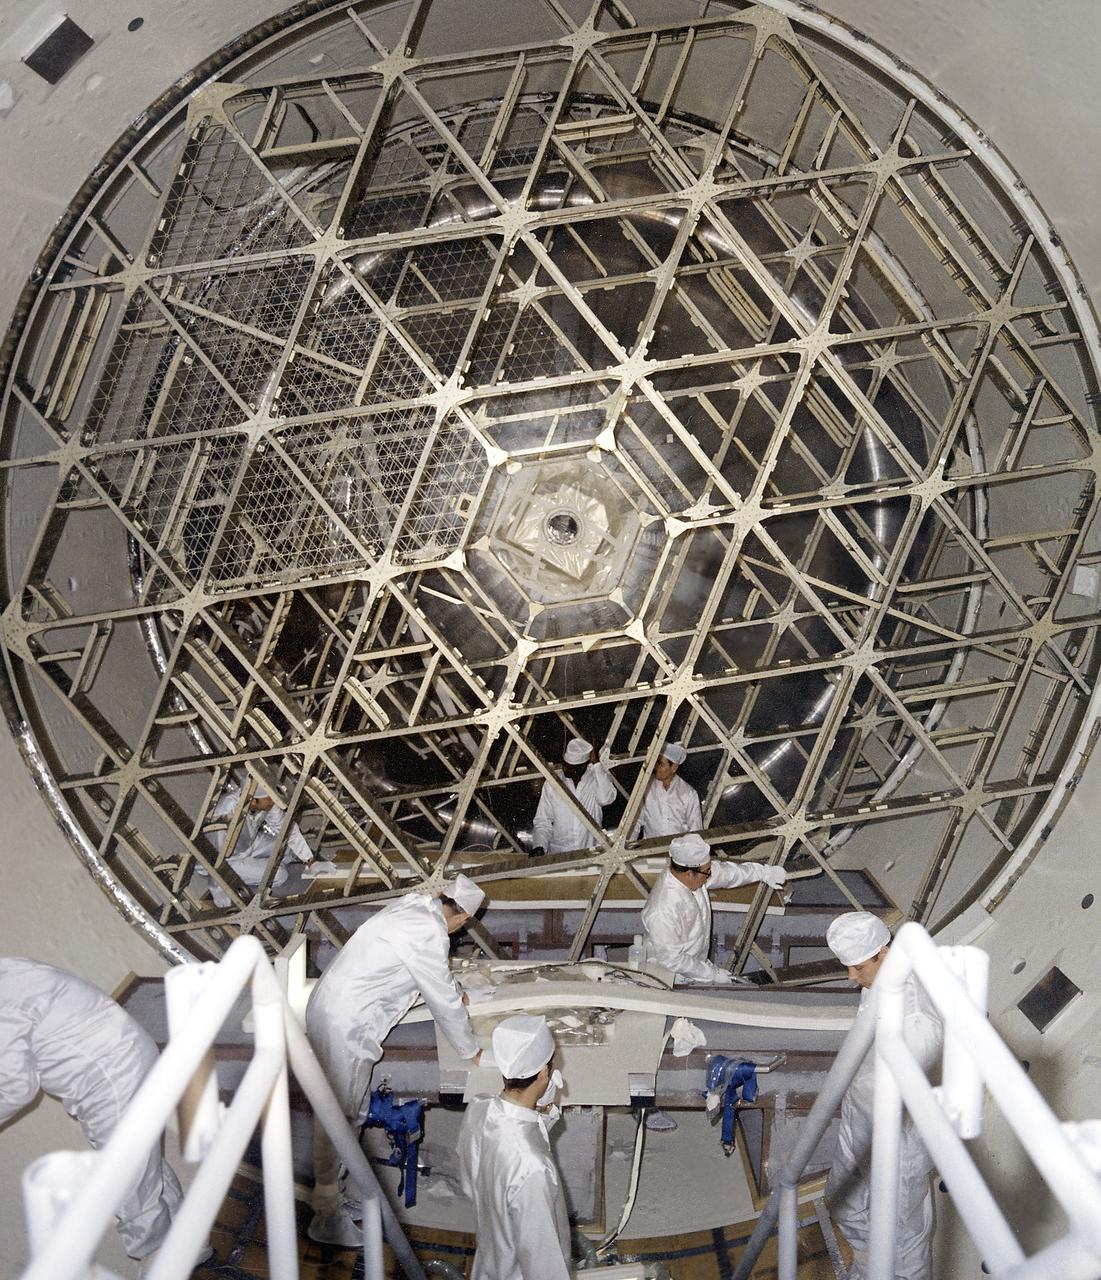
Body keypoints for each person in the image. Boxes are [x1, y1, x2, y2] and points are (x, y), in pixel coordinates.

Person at [305, 875, 487, 1246]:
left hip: (335, 1006)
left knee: (345, 1112)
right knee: (338, 1116)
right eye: (464, 924)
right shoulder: (428, 933)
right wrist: (472, 1051)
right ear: (462, 916)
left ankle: (333, 1198)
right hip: (347, 1023)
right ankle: (325, 1215)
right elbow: (440, 997)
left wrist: (458, 992)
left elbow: (428, 976)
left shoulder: (416, 907)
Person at [0, 958, 184, 1263]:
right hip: (124, 1058)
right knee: (143, 1171)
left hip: (109, 1077)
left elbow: (15, 1087)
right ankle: (188, 1247)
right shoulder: (9, 971)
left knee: (125, 1186)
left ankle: (162, 1262)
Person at [824, 911, 943, 1280]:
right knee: (842, 1202)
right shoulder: (877, 981)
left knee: (906, 1240)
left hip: (899, 1139)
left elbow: (911, 1081)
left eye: (857, 967)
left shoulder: (918, 1020)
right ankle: (867, 1267)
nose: (851, 977)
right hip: (859, 1117)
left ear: (884, 953)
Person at [458, 1014, 571, 1280]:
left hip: (490, 1258)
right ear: (545, 1073)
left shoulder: (479, 1107)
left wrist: (540, 1113)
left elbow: (468, 1184)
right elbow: (544, 1264)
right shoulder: (533, 1168)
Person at [641, 833, 787, 984]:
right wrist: (712, 974)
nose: (710, 875)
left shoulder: (690, 875)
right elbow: (672, 959)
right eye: (707, 872)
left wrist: (764, 872)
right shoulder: (662, 908)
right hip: (669, 977)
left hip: (696, 965)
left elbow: (726, 873)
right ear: (689, 873)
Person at [204, 777, 314, 907]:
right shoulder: (226, 811)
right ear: (253, 800)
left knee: (287, 848)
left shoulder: (264, 800)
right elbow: (215, 861)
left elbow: (285, 827)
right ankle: (248, 880)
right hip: (228, 859)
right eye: (270, 799)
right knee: (279, 874)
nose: (273, 802)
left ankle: (257, 871)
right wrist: (221, 901)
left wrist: (310, 859)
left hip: (250, 843)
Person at [531, 736, 615, 856]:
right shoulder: (552, 783)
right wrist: (539, 845)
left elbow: (606, 799)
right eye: (565, 764)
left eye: (571, 767)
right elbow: (543, 821)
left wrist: (597, 764)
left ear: (584, 766)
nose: (565, 768)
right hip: (560, 854)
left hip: (591, 853)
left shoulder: (596, 778)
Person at [633, 742, 703, 840]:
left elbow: (696, 831)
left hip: (679, 852)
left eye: (661, 764)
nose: (656, 768)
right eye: (656, 763)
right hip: (651, 852)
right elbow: (635, 823)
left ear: (674, 767)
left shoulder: (688, 794)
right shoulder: (646, 789)